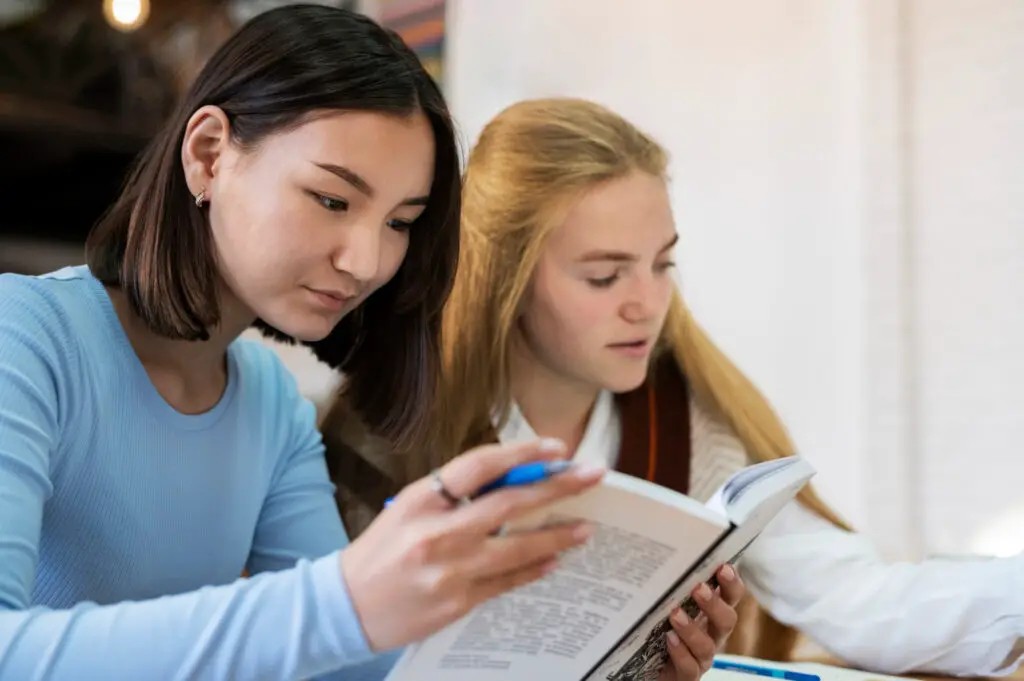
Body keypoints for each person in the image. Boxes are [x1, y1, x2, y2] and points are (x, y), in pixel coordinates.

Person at [323, 97, 1024, 678]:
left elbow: (855, 597)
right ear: (503, 278)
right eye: (604, 275)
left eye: (662, 264)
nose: (647, 303)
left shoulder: (683, 417)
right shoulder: (386, 430)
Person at [0, 10, 605, 681]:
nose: (366, 259)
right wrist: (342, 600)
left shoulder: (268, 403)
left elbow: (350, 665)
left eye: (401, 222)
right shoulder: (23, 337)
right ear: (208, 154)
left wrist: (606, 657)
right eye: (333, 200)